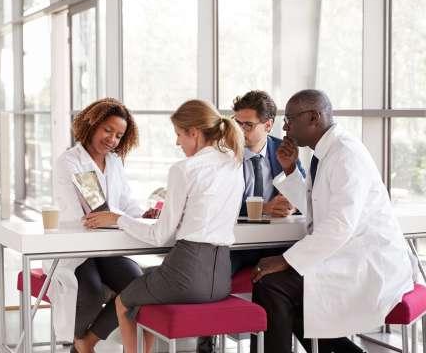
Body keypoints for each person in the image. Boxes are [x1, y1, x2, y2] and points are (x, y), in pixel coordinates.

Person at [250, 89, 414, 353]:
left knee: (272, 286)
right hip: (344, 255)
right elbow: (317, 209)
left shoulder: (345, 154)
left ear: (313, 117)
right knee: (273, 287)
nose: (285, 127)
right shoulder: (326, 153)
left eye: (290, 119)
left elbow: (339, 226)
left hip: (367, 263)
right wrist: (290, 169)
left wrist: (285, 259)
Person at [84, 99, 245, 353]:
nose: (177, 142)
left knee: (125, 301)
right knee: (142, 284)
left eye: (179, 134)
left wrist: (117, 219)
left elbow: (160, 235)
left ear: (194, 132)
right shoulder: (234, 163)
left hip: (186, 273)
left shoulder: (185, 168)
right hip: (220, 278)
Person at [197, 90, 305, 353]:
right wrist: (264, 208)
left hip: (274, 245)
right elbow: (214, 202)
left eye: (248, 124)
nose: (240, 130)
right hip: (234, 245)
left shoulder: (285, 151)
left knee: (289, 281)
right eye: (237, 123)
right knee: (211, 277)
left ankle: (270, 343)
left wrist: (291, 204)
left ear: (268, 125)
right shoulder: (223, 154)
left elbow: (305, 196)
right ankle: (206, 338)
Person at [51, 98, 155, 353]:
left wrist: (143, 213)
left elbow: (124, 202)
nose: (112, 139)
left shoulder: (115, 162)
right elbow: (93, 214)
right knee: (92, 293)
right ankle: (77, 343)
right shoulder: (70, 162)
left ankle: (85, 344)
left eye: (119, 135)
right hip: (78, 247)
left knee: (137, 287)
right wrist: (119, 218)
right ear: (92, 125)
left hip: (107, 246)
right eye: (107, 130)